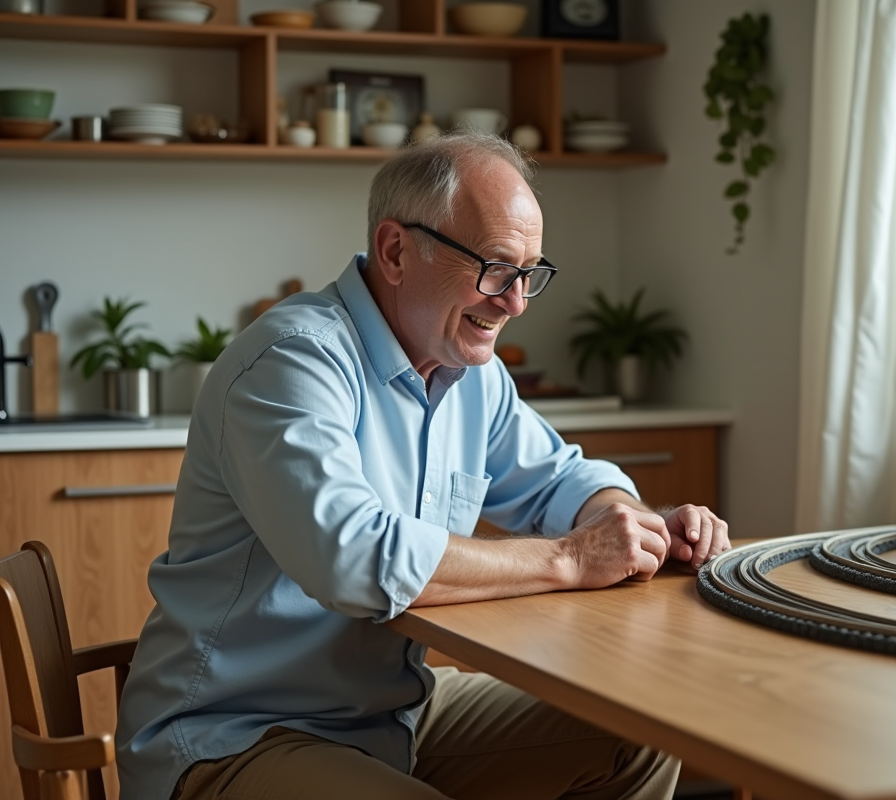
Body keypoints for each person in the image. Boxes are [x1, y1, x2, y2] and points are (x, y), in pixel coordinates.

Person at [116, 133, 730, 800]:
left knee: (635, 737)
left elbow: (561, 477)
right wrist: (572, 559)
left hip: (392, 717)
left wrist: (635, 522)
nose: (515, 302)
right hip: (234, 733)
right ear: (395, 250)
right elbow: (352, 558)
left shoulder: (471, 374)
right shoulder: (291, 362)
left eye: (529, 274)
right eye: (496, 267)